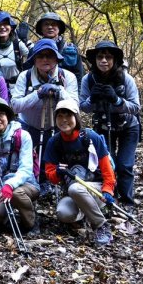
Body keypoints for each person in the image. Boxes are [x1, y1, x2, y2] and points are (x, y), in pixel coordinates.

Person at [42, 99, 116, 246]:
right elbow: (50, 175)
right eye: (60, 116)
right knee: (63, 213)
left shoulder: (91, 137)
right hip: (73, 194)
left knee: (75, 188)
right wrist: (57, 172)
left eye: (68, 116)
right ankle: (87, 214)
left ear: (76, 117)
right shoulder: (54, 142)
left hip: (95, 191)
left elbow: (107, 169)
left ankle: (101, 226)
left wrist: (108, 189)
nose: (64, 120)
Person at [80, 40, 141, 212]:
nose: (104, 61)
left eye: (108, 57)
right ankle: (109, 198)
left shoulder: (126, 79)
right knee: (108, 162)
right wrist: (92, 99)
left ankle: (128, 202)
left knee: (124, 164)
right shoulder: (88, 79)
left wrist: (117, 100)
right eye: (100, 57)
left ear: (115, 60)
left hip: (128, 126)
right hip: (102, 126)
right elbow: (83, 106)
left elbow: (136, 107)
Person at [0, 98, 40, 233]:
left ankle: (31, 223)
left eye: (0, 114)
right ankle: (6, 216)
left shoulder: (22, 136)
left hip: (25, 184)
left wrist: (10, 185)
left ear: (7, 116)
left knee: (16, 194)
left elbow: (26, 169)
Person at [11, 39, 79, 152]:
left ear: (56, 59)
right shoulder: (25, 76)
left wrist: (59, 91)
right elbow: (15, 106)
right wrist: (37, 94)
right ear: (34, 59)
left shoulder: (68, 77)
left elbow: (75, 107)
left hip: (59, 129)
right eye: (40, 56)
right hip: (28, 128)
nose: (45, 59)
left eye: (50, 56)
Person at [34, 12, 83, 80]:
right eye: (46, 24)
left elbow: (79, 74)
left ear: (59, 28)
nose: (50, 27)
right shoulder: (35, 49)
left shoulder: (70, 49)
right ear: (41, 28)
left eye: (53, 24)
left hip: (67, 87)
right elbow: (29, 72)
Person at [0, 11, 29, 87]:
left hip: (16, 86)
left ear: (11, 27)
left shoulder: (18, 43)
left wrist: (25, 41)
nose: (2, 27)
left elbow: (33, 56)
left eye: (5, 24)